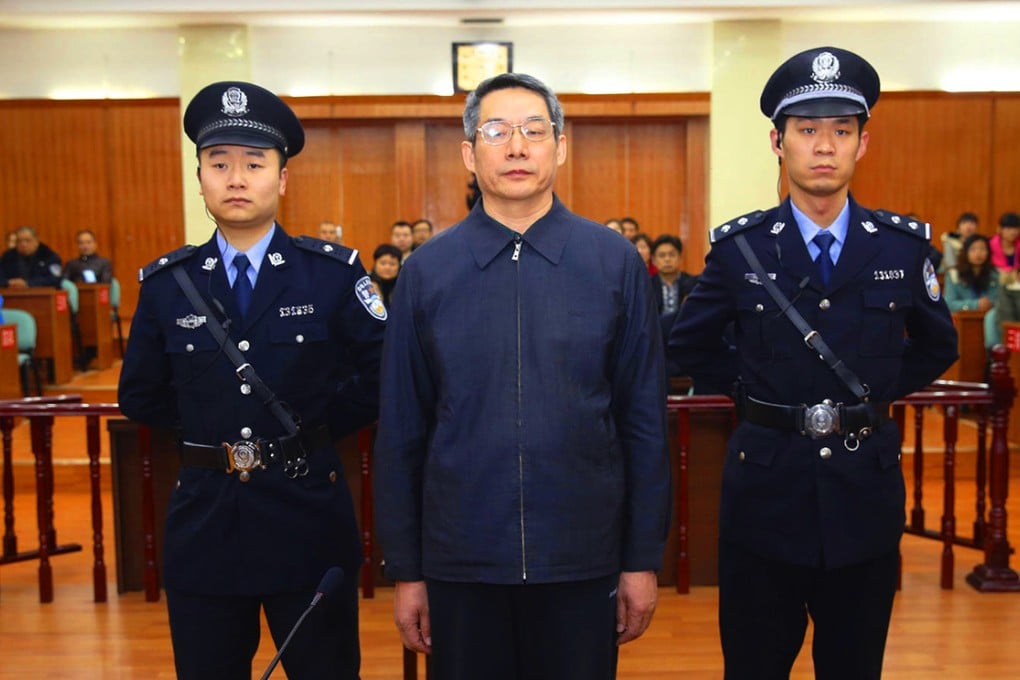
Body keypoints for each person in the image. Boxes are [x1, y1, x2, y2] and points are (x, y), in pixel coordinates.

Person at [668, 47, 958, 679]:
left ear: (862, 144)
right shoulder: (740, 249)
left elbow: (939, 345)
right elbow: (688, 344)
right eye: (806, 130)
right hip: (765, 495)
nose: (824, 146)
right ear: (778, 142)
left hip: (863, 496)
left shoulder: (902, 248)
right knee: (754, 666)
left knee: (855, 667)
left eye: (841, 130)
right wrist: (756, 394)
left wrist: (871, 397)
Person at [374, 72, 670, 680]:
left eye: (534, 131)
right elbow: (402, 431)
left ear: (560, 147)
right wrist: (407, 569)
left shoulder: (612, 262)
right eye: (496, 131)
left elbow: (642, 421)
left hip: (582, 557)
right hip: (461, 561)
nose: (516, 147)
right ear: (469, 153)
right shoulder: (426, 272)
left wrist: (641, 558)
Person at [117, 80, 385, 680]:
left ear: (282, 179)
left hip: (307, 516)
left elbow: (379, 375)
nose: (236, 178)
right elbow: (139, 393)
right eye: (219, 164)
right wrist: (210, 435)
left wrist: (309, 433)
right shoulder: (167, 284)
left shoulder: (331, 274)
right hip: (206, 521)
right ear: (200, 178)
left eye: (254, 163)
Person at [944, 233, 1001, 347]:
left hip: (990, 319)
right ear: (965, 252)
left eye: (982, 249)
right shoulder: (954, 275)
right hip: (963, 322)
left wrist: (989, 303)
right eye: (973, 249)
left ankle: (993, 350)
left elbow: (1001, 301)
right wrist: (975, 304)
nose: (978, 253)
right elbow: (949, 303)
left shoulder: (996, 275)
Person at [370, 243, 401, 307]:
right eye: (383, 263)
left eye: (392, 264)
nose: (387, 267)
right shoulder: (366, 284)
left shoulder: (404, 285)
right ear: (375, 264)